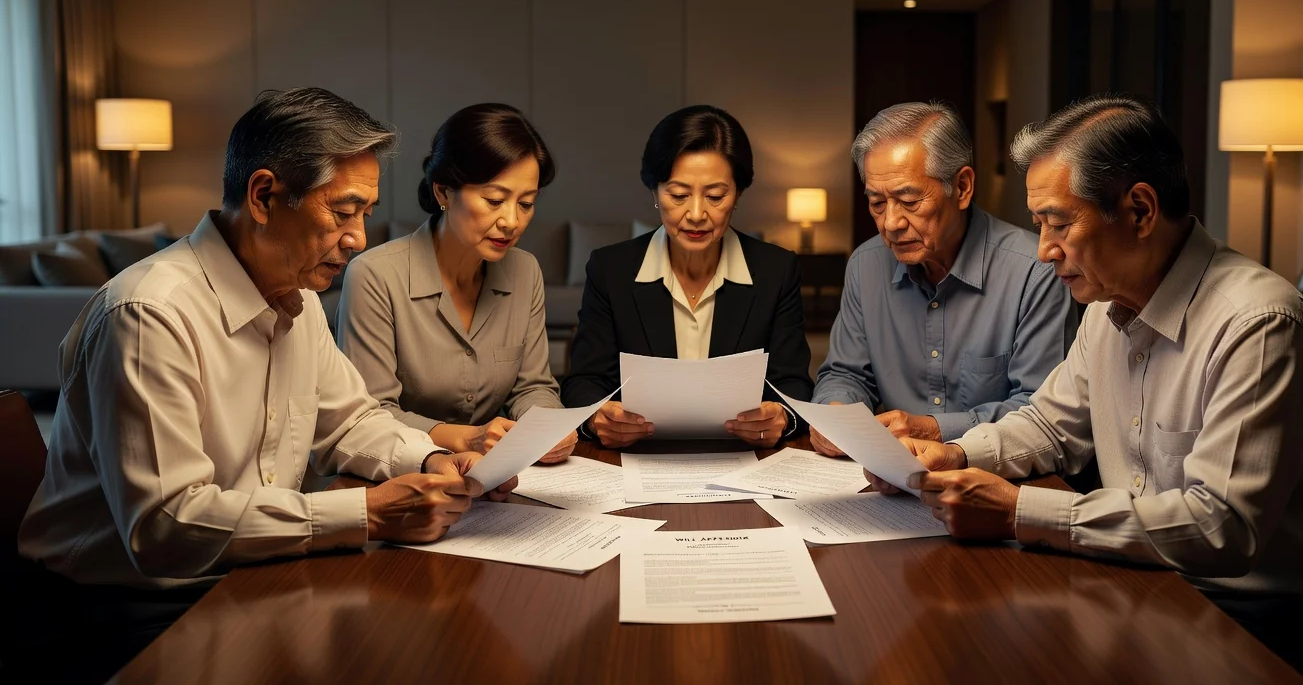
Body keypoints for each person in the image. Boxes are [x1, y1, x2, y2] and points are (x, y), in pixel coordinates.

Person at [867, 94, 1303, 683]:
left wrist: (1018, 511)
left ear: (1139, 211)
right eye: (1038, 225)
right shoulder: (1106, 303)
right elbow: (1048, 425)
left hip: (1277, 622)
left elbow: (1220, 528)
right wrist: (954, 453)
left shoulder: (1258, 325)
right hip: (1155, 585)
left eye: (1059, 223)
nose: (1043, 250)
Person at [13, 87, 515, 683]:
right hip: (119, 613)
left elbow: (351, 422)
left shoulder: (295, 297)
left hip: (243, 574)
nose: (359, 238)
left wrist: (434, 455)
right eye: (344, 211)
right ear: (263, 195)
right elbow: (166, 526)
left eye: (366, 212)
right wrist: (369, 513)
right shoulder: (150, 314)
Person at [811, 101, 1073, 455]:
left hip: (994, 478)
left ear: (962, 187)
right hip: (885, 476)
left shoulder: (1034, 269)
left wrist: (935, 430)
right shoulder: (866, 264)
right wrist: (836, 412)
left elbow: (1040, 411)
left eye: (909, 200)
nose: (891, 222)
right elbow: (845, 373)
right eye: (876, 203)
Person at [560, 105, 813, 448]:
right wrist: (596, 419)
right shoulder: (611, 270)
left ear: (738, 194)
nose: (696, 214)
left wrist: (782, 417)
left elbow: (794, 385)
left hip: (745, 460)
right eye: (678, 195)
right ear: (654, 192)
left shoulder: (776, 270)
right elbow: (584, 382)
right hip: (637, 458)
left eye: (715, 196)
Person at [338, 104, 573, 464]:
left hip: (499, 478)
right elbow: (371, 415)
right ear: (444, 193)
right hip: (402, 476)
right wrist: (466, 439)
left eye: (526, 204)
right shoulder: (374, 275)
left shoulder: (526, 271)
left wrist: (545, 425)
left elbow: (534, 387)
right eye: (494, 200)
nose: (511, 221)